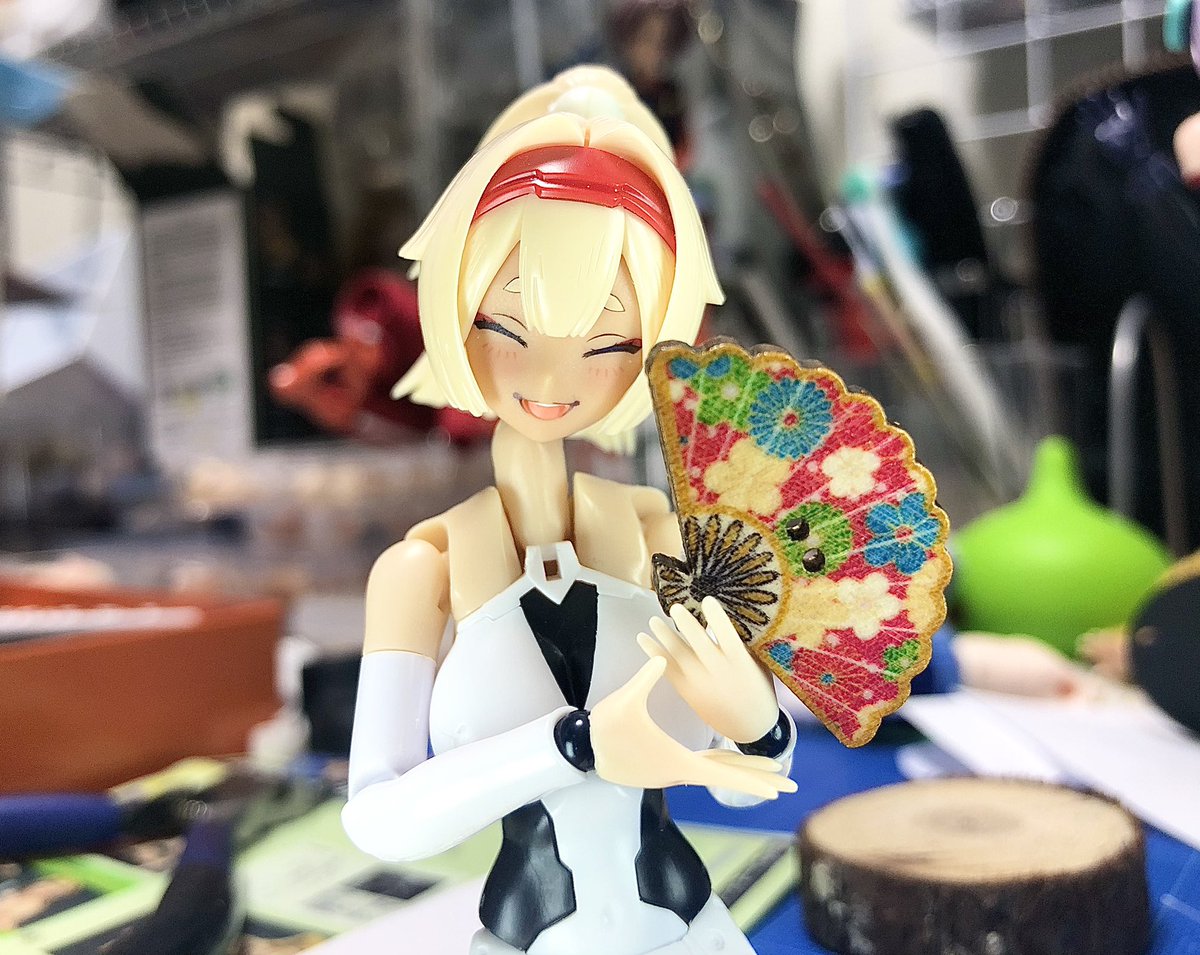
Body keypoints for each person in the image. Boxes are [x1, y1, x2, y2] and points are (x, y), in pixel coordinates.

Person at [341, 66, 797, 955]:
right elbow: (379, 819)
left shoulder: (661, 536)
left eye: (607, 344)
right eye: (508, 330)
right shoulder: (421, 572)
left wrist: (760, 723)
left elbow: (745, 783)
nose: (553, 379)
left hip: (689, 929)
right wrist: (574, 745)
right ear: (454, 308)